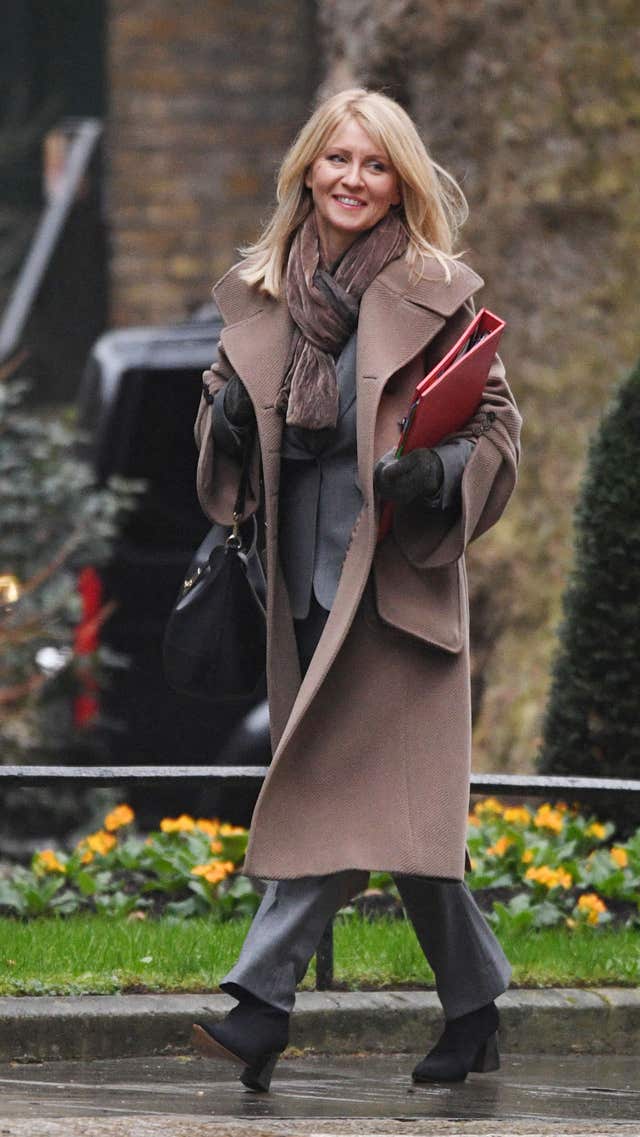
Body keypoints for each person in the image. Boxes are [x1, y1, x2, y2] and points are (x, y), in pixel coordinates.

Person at [191, 87, 522, 1093]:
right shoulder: (264, 291)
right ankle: (474, 1011)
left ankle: (259, 1006)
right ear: (307, 169)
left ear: (399, 185)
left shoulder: (433, 290)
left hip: (396, 590)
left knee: (341, 793)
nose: (353, 180)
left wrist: (437, 475)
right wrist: (231, 433)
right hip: (299, 594)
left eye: (375, 166)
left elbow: (498, 429)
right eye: (338, 160)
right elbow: (214, 418)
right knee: (404, 822)